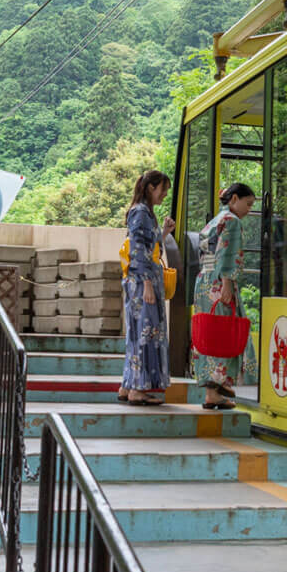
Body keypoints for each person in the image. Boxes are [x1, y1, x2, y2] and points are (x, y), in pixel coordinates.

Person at [192, 182, 256, 410]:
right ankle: (217, 390)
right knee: (224, 333)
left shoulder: (213, 221)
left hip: (204, 282)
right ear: (234, 199)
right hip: (220, 282)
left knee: (210, 333)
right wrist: (228, 282)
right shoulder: (232, 221)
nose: (249, 210)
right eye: (247, 204)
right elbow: (228, 253)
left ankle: (213, 392)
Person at [120, 170, 175, 406]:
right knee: (146, 333)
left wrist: (163, 233)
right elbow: (139, 252)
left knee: (137, 332)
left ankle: (128, 386)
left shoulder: (141, 212)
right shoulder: (142, 213)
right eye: (162, 189)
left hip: (138, 281)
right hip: (143, 282)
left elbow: (147, 246)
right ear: (152, 188)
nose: (164, 195)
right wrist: (148, 284)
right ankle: (138, 389)